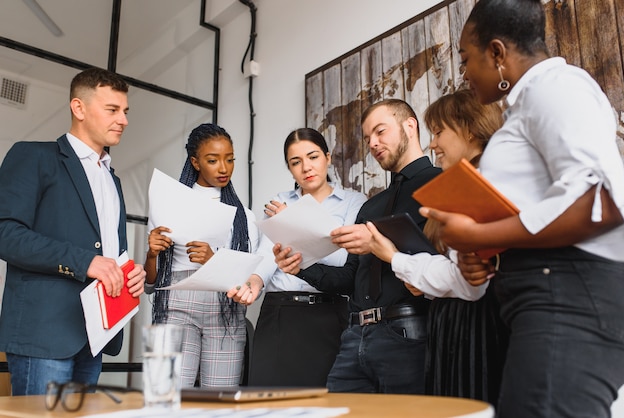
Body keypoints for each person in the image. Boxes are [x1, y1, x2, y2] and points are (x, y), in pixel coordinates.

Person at [419, 0, 624, 416]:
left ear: (497, 53)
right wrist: (489, 257)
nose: (463, 73)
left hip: (569, 298)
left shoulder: (558, 86)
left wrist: (479, 237)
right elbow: (544, 210)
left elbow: (598, 201)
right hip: (544, 298)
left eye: (465, 60)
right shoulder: (527, 105)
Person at [274, 99, 441, 394]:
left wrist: (382, 247)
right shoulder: (372, 206)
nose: (373, 144)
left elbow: (450, 267)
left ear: (410, 126)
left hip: (410, 332)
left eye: (380, 132)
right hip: (354, 337)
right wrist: (300, 265)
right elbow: (350, 280)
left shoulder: (443, 185)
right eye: (367, 138)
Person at [0, 67, 147, 395]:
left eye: (125, 111)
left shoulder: (113, 180)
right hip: (44, 333)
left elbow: (107, 251)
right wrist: (86, 262)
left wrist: (129, 271)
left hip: (96, 333)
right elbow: (5, 233)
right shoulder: (33, 156)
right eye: (112, 110)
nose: (123, 120)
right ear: (78, 108)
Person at [365, 89, 509, 407]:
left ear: (469, 128)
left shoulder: (480, 185)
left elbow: (467, 282)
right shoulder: (465, 182)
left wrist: (395, 258)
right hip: (452, 325)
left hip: (475, 329)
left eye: (439, 132)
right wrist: (426, 286)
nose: (433, 144)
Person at [144, 123, 276, 388]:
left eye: (230, 159)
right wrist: (151, 253)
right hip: (177, 304)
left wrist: (213, 259)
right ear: (195, 162)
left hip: (225, 311)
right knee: (167, 394)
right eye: (213, 160)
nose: (224, 168)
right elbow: (150, 284)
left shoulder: (244, 216)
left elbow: (245, 281)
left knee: (220, 400)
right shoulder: (169, 203)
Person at [249, 128, 367, 387]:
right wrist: (254, 281)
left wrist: (294, 224)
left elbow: (341, 261)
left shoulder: (354, 202)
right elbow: (268, 255)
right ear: (289, 169)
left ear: (327, 157)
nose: (306, 167)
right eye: (296, 162)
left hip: (329, 314)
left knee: (326, 404)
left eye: (313, 157)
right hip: (280, 313)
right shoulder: (280, 201)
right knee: (270, 404)